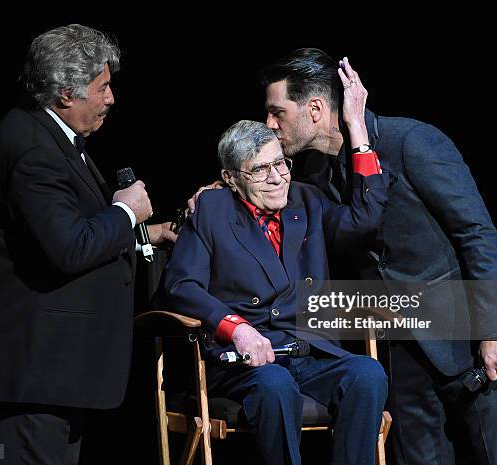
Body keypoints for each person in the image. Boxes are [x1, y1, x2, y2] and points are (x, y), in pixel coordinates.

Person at [252, 48, 497, 465]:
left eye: (277, 113)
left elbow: (476, 233)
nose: (269, 126)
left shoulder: (409, 141)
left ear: (313, 108)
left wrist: (495, 329)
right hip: (399, 353)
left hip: (465, 339)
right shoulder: (315, 177)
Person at [0, 24, 175, 464]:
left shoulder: (52, 134)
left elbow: (62, 233)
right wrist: (126, 212)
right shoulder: (32, 148)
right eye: (102, 88)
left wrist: (143, 237)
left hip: (55, 377)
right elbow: (69, 248)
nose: (112, 98)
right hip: (32, 374)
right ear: (65, 94)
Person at [164, 113, 391, 465]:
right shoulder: (212, 208)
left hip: (308, 349)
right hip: (244, 362)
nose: (276, 179)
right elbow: (181, 285)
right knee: (275, 384)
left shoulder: (307, 201)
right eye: (259, 170)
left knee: (367, 374)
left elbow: (364, 221)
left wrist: (359, 135)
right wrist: (235, 328)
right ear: (230, 179)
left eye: (281, 164)